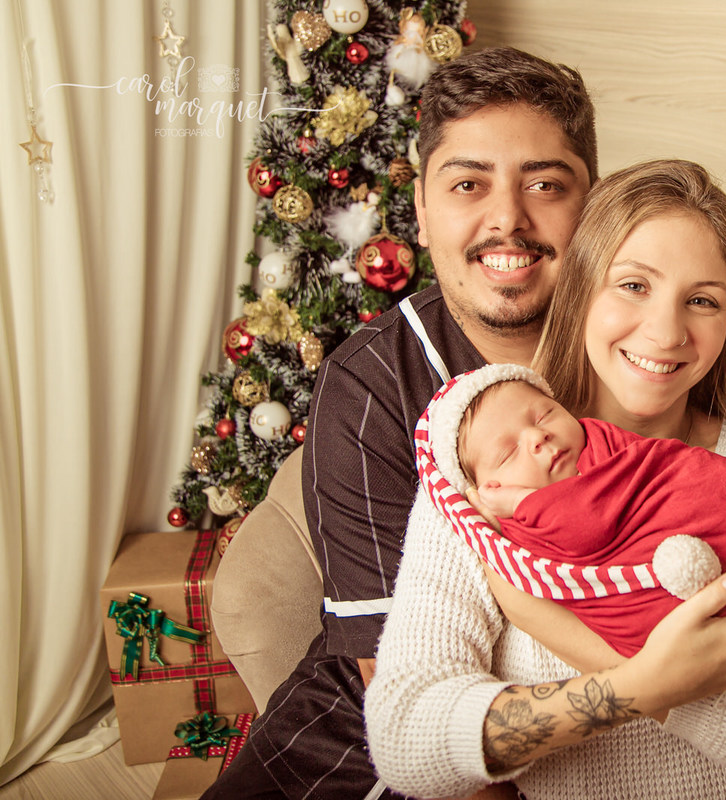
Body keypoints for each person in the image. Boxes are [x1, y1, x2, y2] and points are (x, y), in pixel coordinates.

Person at [364, 159, 726, 799]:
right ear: (581, 291)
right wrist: (641, 687)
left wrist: (551, 623)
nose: (666, 331)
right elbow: (404, 737)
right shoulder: (485, 477)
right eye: (633, 285)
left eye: (702, 300)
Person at [203, 46, 599, 799]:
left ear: (595, 204)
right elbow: (410, 704)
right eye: (468, 184)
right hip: (355, 749)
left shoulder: (641, 351)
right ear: (420, 209)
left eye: (545, 184)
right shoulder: (370, 388)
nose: (507, 219)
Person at [418, 362, 726, 658]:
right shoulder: (496, 530)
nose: (538, 436)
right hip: (674, 620)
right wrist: (523, 508)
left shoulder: (601, 439)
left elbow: (652, 472)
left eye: (544, 415)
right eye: (507, 453)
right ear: (486, 491)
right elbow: (584, 529)